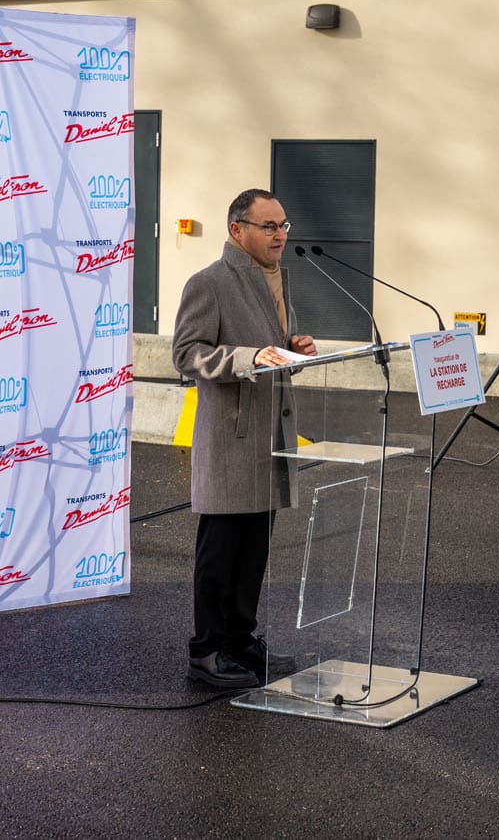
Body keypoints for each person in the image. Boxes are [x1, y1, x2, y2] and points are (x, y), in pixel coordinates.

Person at [171, 189, 317, 687]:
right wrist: (247, 358)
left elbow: (272, 339)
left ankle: (240, 639)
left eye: (284, 225)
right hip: (232, 437)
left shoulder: (276, 278)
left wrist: (292, 344)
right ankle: (206, 651)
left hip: (271, 433)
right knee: (221, 551)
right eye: (269, 226)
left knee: (254, 549)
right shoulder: (209, 283)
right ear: (238, 230)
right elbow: (187, 353)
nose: (280, 235)